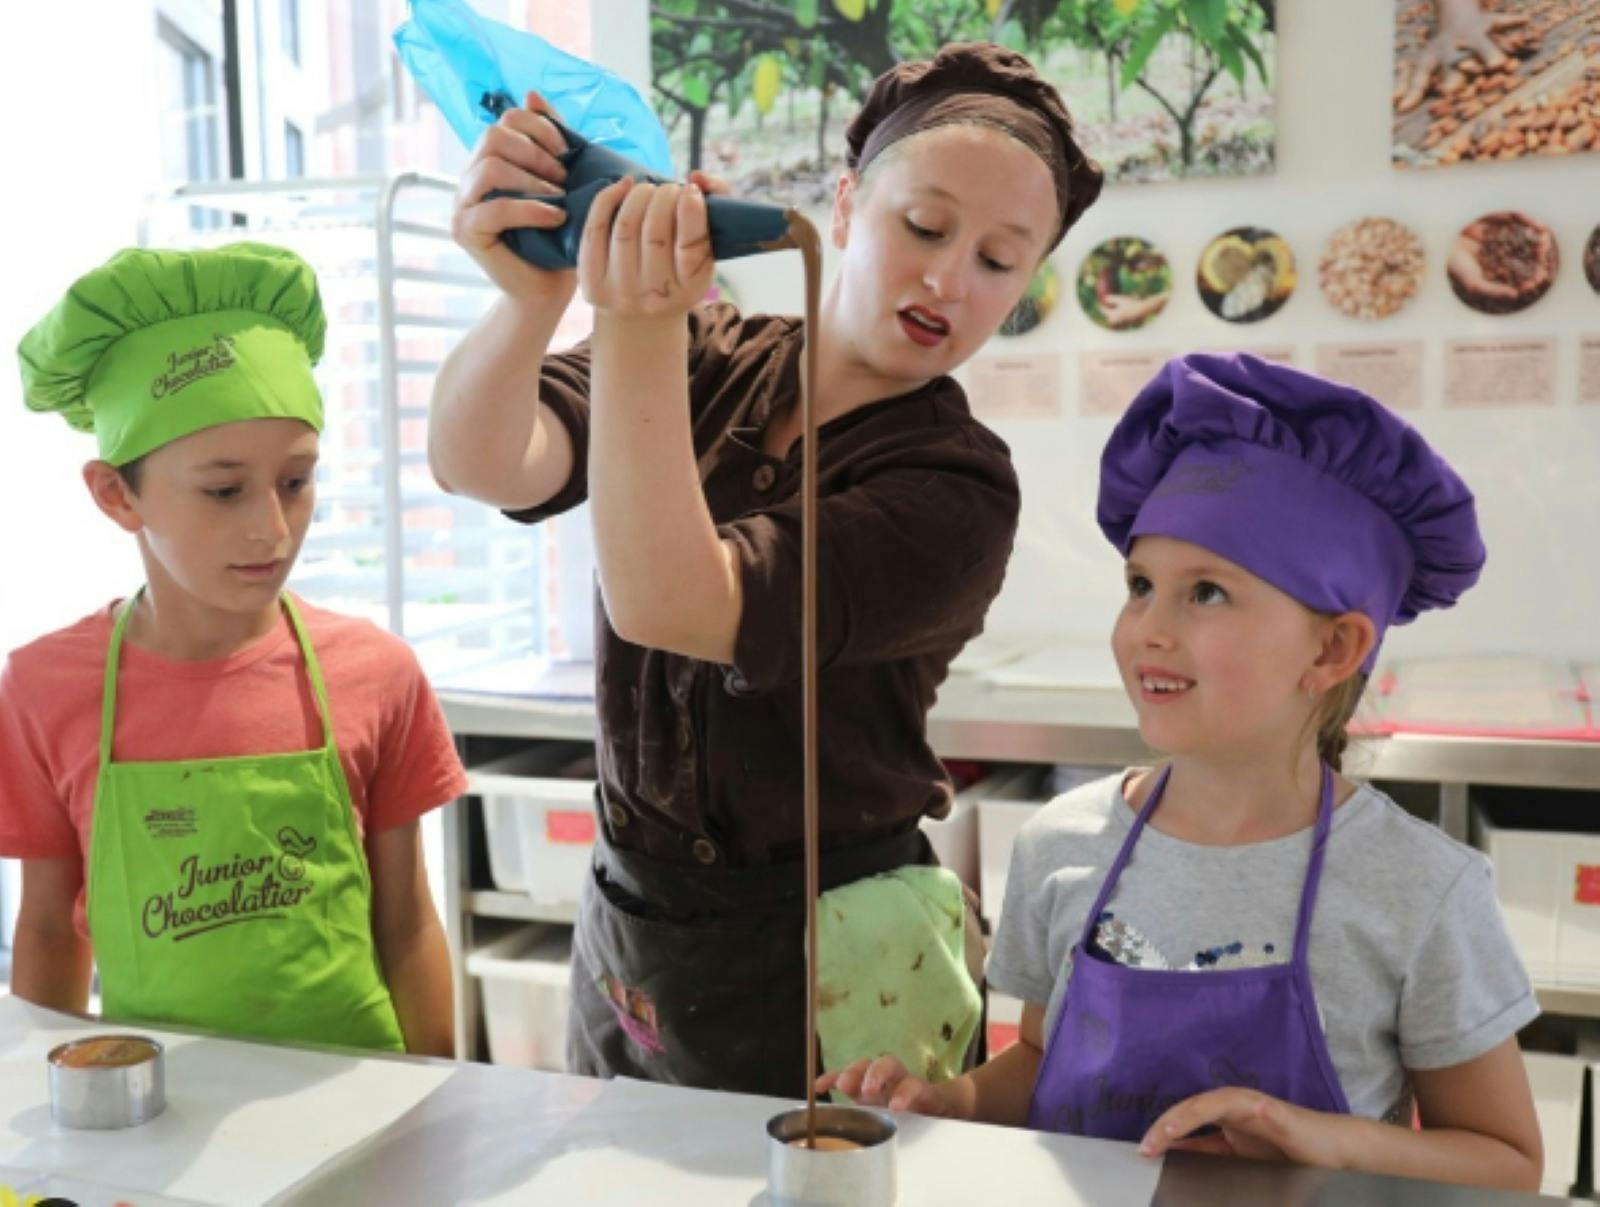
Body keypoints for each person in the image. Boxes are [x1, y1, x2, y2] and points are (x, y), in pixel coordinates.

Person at [427, 42, 1104, 1095]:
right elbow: (479, 461)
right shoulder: (705, 353)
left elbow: (670, 602)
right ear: (842, 208)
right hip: (637, 920)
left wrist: (633, 316)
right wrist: (528, 297)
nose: (947, 279)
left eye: (998, 260)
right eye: (922, 227)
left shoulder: (955, 491)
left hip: (845, 956)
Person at [821, 354, 1545, 1192]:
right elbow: (1040, 1069)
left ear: (1332, 647)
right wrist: (951, 1103)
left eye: (1206, 592)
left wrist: (1316, 1137)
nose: (1148, 630)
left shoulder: (1420, 887)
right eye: (1140, 585)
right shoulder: (1061, 844)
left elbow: (1508, 1162)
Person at [3, 242, 465, 1056]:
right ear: (118, 495)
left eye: (296, 480)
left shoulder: (377, 674)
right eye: (223, 490)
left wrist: (436, 1106)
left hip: (359, 1106)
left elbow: (407, 922)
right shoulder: (43, 688)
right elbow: (47, 929)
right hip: (157, 1127)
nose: (272, 529)